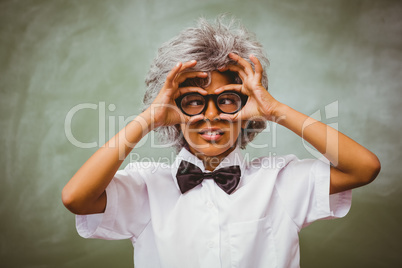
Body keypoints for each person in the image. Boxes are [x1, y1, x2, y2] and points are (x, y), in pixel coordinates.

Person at [62, 16, 381, 268]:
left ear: (247, 108)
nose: (211, 115)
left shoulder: (279, 181)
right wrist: (148, 118)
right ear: (172, 108)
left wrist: (275, 110)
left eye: (228, 100)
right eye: (193, 101)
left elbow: (364, 168)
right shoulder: (146, 187)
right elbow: (76, 198)